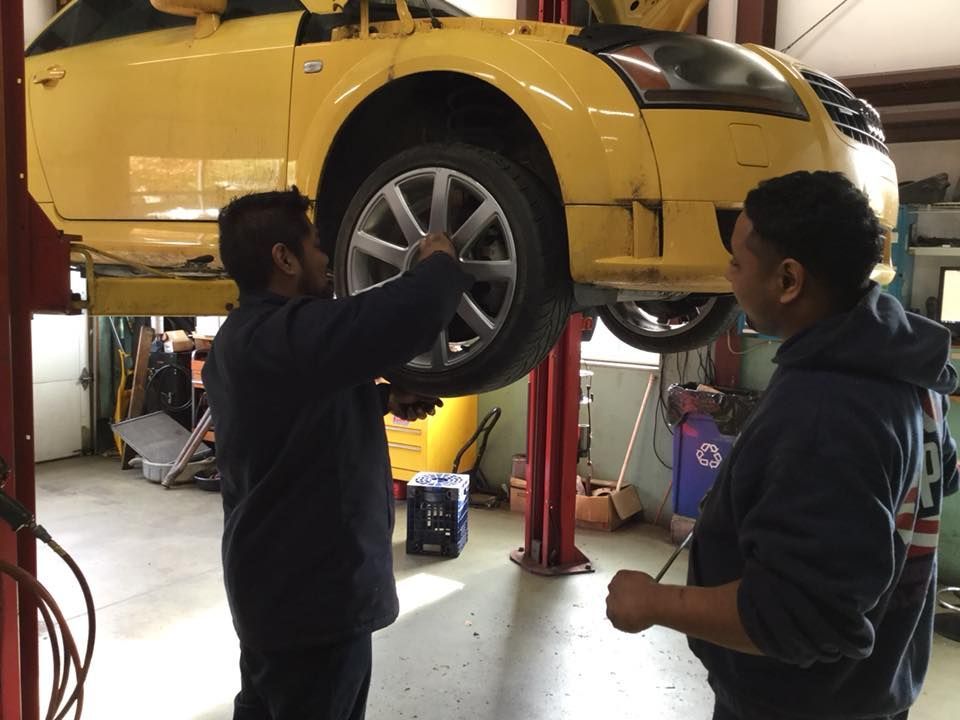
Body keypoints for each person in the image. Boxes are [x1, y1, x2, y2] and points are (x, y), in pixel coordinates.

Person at [605, 171, 959, 720]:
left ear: (788, 279)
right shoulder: (905, 365)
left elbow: (801, 618)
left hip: (802, 704)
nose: (729, 274)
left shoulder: (829, 408)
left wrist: (654, 603)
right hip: (875, 689)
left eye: (737, 262)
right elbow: (940, 476)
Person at [202, 188, 471, 720]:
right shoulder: (285, 334)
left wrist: (381, 399)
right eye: (316, 246)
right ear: (284, 258)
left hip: (273, 593)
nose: (327, 259)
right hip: (313, 603)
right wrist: (439, 261)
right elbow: (405, 314)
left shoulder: (245, 338)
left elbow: (287, 419)